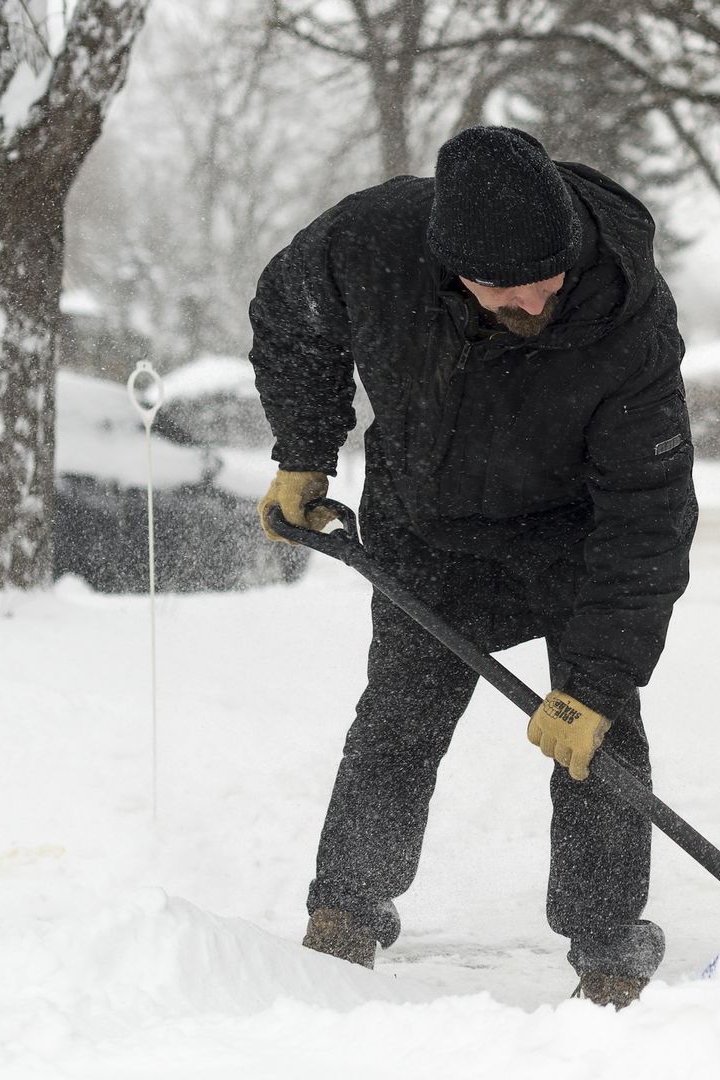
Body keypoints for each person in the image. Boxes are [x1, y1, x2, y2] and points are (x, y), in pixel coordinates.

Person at [246, 126, 695, 1008]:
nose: (530, 302)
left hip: (575, 540)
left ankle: (607, 944)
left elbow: (648, 516)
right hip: (428, 529)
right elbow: (289, 317)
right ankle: (346, 909)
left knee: (597, 741)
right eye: (499, 286)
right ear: (448, 262)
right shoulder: (371, 242)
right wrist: (305, 449)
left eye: (546, 277)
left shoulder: (628, 321)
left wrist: (597, 683)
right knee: (400, 714)